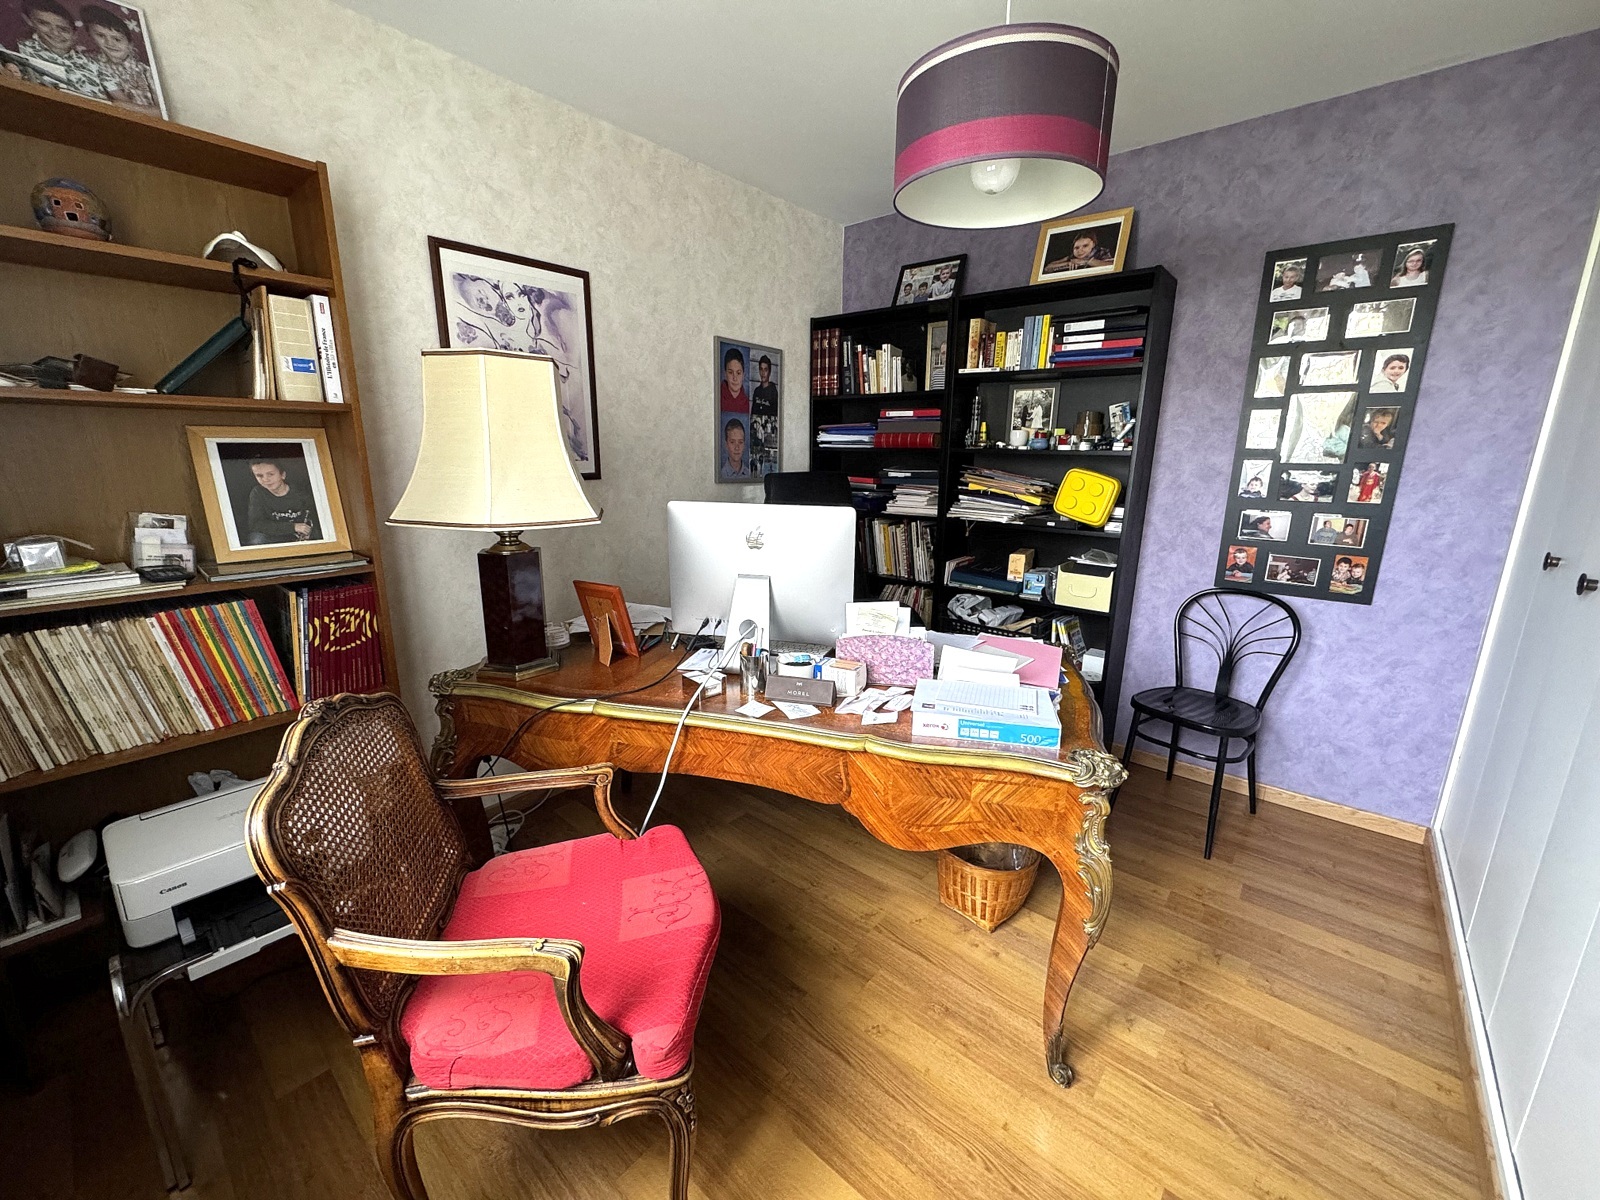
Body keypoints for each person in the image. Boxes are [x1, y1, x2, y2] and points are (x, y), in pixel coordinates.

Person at [7, 0, 109, 99]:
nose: (55, 33)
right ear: (30, 22)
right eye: (44, 24)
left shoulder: (93, 64)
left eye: (63, 29)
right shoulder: (19, 49)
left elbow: (116, 100)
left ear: (75, 35)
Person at [81, 5, 159, 115]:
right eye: (100, 35)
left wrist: (120, 105)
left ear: (130, 45)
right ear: (90, 36)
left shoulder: (145, 71)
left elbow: (162, 112)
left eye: (117, 39)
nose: (110, 43)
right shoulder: (91, 63)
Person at [244, 458, 321, 545]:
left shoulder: (301, 493)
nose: (265, 479)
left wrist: (309, 531)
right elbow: (256, 524)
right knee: (256, 539)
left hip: (299, 534)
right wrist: (293, 527)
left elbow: (315, 517)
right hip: (273, 535)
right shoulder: (257, 493)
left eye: (270, 474)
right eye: (259, 476)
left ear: (283, 475)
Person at [1045, 232, 1115, 273]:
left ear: (1093, 244)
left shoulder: (1101, 252)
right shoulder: (1072, 257)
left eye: (1085, 246)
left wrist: (1085, 261)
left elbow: (1112, 265)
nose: (1080, 251)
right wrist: (1067, 263)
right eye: (1076, 248)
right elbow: (1048, 268)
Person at [719, 345, 749, 415]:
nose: (735, 378)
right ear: (725, 374)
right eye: (730, 372)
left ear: (743, 375)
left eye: (738, 373)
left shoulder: (747, 403)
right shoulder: (717, 397)